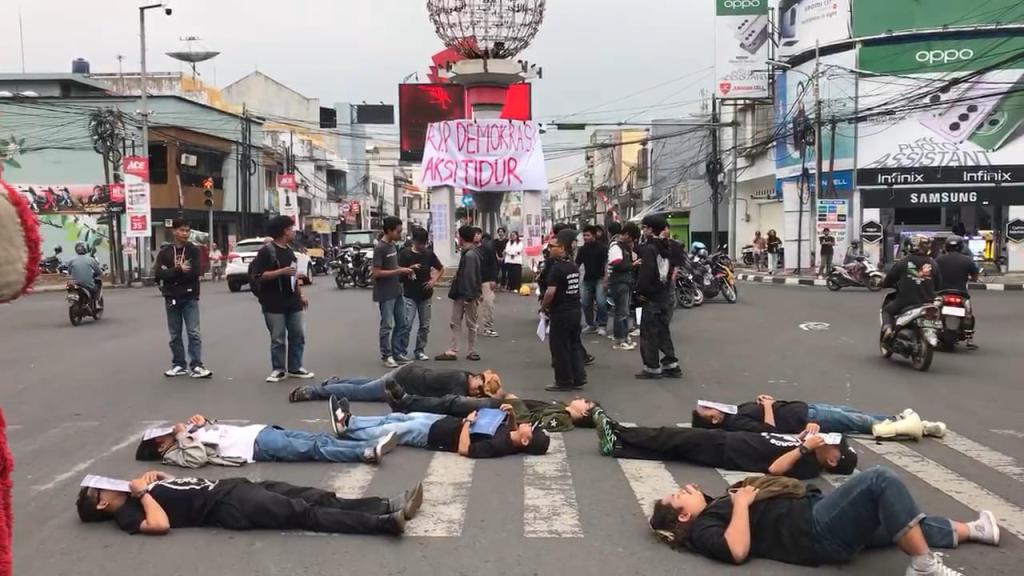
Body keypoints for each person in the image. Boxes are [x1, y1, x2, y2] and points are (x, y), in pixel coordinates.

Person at [649, 467, 1000, 575]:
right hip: (815, 530)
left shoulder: (714, 507)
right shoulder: (705, 528)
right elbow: (737, 550)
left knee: (898, 519)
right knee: (879, 481)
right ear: (683, 515)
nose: (689, 486)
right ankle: (923, 566)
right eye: (681, 494)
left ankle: (973, 530)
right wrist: (741, 503)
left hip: (815, 518)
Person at [76, 469, 421, 536]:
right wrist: (142, 493)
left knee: (314, 496)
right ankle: (383, 523)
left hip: (235, 487)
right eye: (102, 489)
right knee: (306, 514)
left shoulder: (136, 492)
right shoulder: (128, 514)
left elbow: (177, 487)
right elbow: (160, 524)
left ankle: (383, 504)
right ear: (103, 504)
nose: (110, 485)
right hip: (230, 506)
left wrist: (157, 477)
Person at [592, 408, 857, 479]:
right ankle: (618, 446)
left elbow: (776, 469)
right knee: (673, 448)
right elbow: (777, 438)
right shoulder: (807, 446)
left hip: (728, 450)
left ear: (833, 460)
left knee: (670, 436)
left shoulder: (808, 465)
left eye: (833, 445)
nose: (827, 441)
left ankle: (618, 431)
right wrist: (802, 437)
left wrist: (804, 447)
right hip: (731, 440)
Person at [134, 413, 398, 466]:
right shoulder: (174, 452)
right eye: (164, 434)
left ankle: (366, 446)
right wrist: (182, 435)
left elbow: (213, 435)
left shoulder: (184, 437)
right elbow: (198, 457)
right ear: (159, 444)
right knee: (315, 448)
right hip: (255, 446)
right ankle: (364, 453)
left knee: (318, 438)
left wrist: (204, 423)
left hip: (258, 432)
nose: (170, 431)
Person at [330, 399, 550, 459]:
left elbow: (466, 450)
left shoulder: (500, 446)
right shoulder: (510, 436)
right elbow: (508, 429)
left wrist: (467, 424)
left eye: (532, 430)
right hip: (443, 421)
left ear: (525, 441)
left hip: (436, 435)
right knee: (397, 416)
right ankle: (353, 420)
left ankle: (347, 428)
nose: (530, 424)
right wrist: (510, 415)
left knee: (396, 428)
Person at [384, 379, 598, 433]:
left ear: (585, 411)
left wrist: (513, 401)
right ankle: (407, 404)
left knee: (453, 403)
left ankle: (406, 402)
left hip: (503, 413)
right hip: (504, 405)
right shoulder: (560, 407)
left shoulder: (563, 419)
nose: (580, 397)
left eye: (585, 401)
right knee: (451, 403)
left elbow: (532, 423)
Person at [250, 216, 314, 382]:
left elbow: (293, 275)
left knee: (298, 334)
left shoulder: (290, 250)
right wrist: (281, 272)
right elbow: (259, 276)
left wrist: (301, 295)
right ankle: (278, 369)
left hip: (292, 300)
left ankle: (295, 367)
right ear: (284, 231)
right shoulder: (267, 251)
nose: (294, 232)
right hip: (273, 301)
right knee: (278, 337)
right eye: (292, 229)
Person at [691, 397, 946, 438]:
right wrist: (768, 406)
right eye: (708, 410)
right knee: (858, 423)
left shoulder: (732, 412)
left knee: (854, 414)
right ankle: (918, 428)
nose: (712, 406)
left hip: (805, 407)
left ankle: (906, 421)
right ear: (714, 421)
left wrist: (763, 400)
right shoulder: (735, 424)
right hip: (806, 419)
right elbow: (768, 431)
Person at [155, 219, 212, 379]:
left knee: (193, 332)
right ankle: (178, 364)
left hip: (189, 296)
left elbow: (194, 272)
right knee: (175, 334)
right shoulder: (165, 251)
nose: (185, 234)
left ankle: (196, 365)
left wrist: (171, 273)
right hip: (171, 297)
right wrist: (179, 270)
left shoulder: (193, 250)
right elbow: (159, 273)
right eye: (181, 230)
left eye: (187, 230)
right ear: (174, 231)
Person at [289, 365, 504, 403]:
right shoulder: (458, 384)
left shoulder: (463, 376)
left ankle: (334, 382)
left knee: (369, 384)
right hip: (403, 381)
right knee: (361, 393)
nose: (475, 392)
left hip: (407, 374)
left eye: (479, 393)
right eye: (478, 387)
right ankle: (314, 392)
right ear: (478, 378)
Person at [542, 228, 587, 392]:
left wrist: (544, 307)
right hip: (575, 309)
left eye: (553, 246)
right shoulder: (572, 266)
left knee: (559, 346)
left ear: (561, 248)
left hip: (561, 311)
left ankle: (563, 380)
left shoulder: (557, 269)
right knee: (574, 344)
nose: (549, 249)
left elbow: (550, 292)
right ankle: (579, 377)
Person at [635, 215, 679, 380]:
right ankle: (671, 364)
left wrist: (639, 292)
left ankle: (652, 367)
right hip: (664, 294)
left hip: (651, 297)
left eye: (645, 227)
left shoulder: (650, 249)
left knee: (649, 334)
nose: (643, 230)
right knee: (662, 332)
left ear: (651, 229)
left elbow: (646, 276)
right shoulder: (667, 246)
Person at [881, 234, 943, 341]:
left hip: (906, 301)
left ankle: (888, 330)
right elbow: (939, 285)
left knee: (887, 311)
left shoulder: (903, 262)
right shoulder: (934, 264)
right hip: (928, 301)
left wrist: (884, 284)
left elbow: (889, 279)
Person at [373, 216, 415, 368]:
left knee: (402, 323)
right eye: (398, 231)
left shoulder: (392, 246)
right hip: (385, 293)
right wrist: (398, 271)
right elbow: (376, 273)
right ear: (389, 231)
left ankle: (397, 353)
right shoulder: (380, 248)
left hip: (397, 290)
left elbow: (393, 267)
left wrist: (403, 271)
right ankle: (387, 355)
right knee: (387, 325)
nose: (400, 234)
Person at [397, 227, 444, 361]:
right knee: (407, 324)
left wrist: (433, 281)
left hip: (426, 294)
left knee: (424, 325)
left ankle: (420, 350)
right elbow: (397, 271)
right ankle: (402, 351)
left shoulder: (429, 254)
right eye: (419, 243)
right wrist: (409, 269)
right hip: (409, 294)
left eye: (424, 243)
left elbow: (441, 269)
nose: (421, 246)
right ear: (413, 240)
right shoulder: (404, 254)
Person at [437, 226, 482, 361]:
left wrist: (469, 295)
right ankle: (463, 350)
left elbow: (469, 276)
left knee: (466, 322)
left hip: (466, 294)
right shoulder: (471, 253)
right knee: (460, 322)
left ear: (461, 238)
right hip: (466, 293)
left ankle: (464, 350)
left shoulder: (469, 255)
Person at [936, 235, 979, 350]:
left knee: (932, 310)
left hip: (942, 292)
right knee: (969, 313)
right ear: (961, 247)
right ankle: (969, 338)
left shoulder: (939, 259)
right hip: (961, 293)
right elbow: (975, 277)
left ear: (946, 247)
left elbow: (932, 275)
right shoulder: (968, 260)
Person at [607, 222, 640, 351]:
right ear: (626, 234)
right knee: (621, 312)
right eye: (631, 238)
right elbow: (617, 265)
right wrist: (633, 265)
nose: (631, 241)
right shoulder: (616, 246)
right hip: (619, 283)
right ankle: (619, 340)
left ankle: (624, 337)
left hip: (625, 282)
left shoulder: (623, 247)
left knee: (624, 311)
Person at [577, 225, 609, 335]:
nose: (585, 237)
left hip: (600, 279)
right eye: (584, 235)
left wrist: (606, 279)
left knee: (601, 303)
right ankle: (590, 324)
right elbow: (577, 264)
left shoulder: (602, 248)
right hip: (587, 279)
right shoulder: (582, 249)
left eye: (588, 235)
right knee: (585, 303)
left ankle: (602, 325)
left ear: (594, 235)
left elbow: (606, 264)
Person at [476, 229, 499, 338]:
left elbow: (494, 264)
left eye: (477, 234)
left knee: (488, 304)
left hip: (486, 281)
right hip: (473, 282)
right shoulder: (468, 250)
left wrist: (494, 279)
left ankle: (487, 327)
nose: (475, 236)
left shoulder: (487, 249)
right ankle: (473, 326)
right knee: (473, 306)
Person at [67, 241, 102, 306]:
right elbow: (99, 272)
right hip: (87, 284)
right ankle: (96, 305)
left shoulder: (71, 260)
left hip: (75, 284)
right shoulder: (90, 259)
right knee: (96, 290)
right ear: (85, 249)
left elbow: (69, 272)